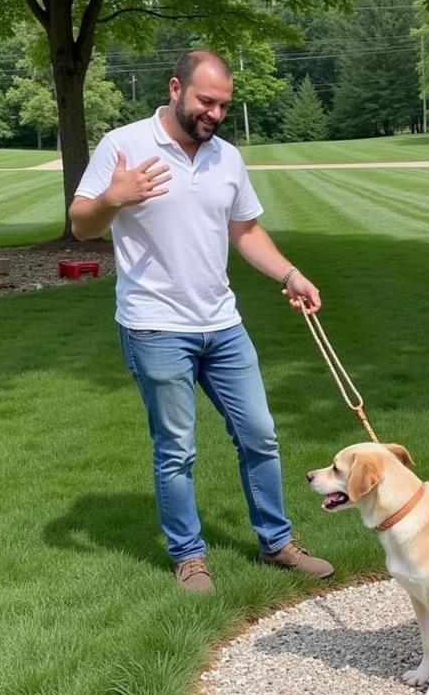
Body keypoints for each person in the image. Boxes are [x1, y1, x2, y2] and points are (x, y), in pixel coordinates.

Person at [69, 49, 334, 593]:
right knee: (177, 450)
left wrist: (290, 275)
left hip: (223, 323)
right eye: (205, 101)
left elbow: (245, 232)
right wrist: (113, 200)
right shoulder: (123, 146)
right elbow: (80, 226)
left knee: (260, 434)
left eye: (223, 105)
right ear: (174, 88)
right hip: (155, 326)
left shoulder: (227, 158)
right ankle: (189, 555)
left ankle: (276, 542)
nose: (214, 113)